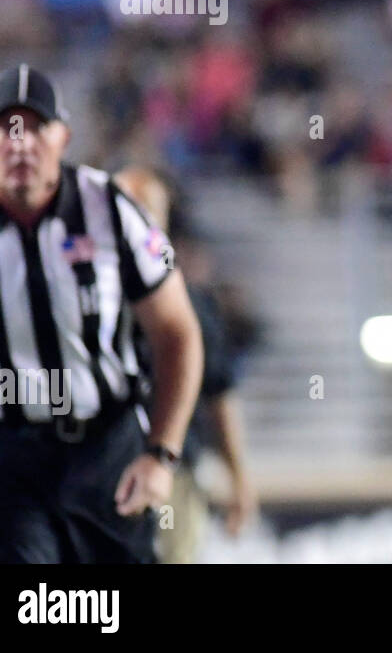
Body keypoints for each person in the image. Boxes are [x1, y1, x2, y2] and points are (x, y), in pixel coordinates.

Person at [0, 64, 203, 563]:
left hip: (104, 452)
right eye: (7, 128)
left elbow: (177, 332)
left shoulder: (112, 209)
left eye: (36, 127)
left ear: (64, 137)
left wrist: (161, 453)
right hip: (1, 457)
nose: (21, 143)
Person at [115, 166, 258, 563]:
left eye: (146, 210)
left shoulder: (192, 306)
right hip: (98, 471)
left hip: (171, 473)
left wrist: (239, 479)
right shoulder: (80, 300)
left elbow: (220, 395)